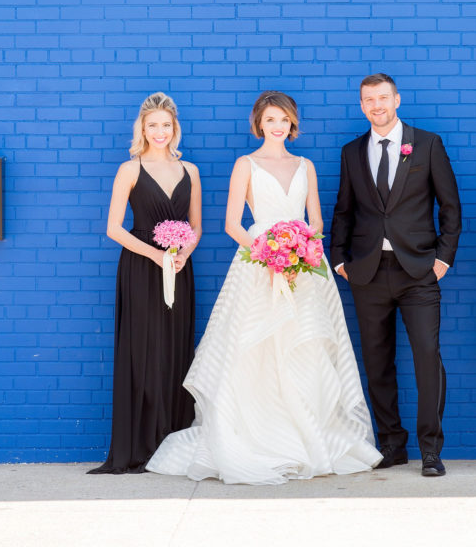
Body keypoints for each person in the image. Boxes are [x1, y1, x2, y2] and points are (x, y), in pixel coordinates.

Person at [147, 91, 381, 484]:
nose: (278, 126)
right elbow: (232, 223)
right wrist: (270, 253)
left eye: (284, 120)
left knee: (305, 347)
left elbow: (317, 222)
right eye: (271, 119)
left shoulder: (305, 165)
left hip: (304, 269)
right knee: (253, 351)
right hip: (258, 265)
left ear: (292, 124)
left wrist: (298, 249)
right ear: (260, 123)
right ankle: (257, 438)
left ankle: (309, 437)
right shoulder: (246, 164)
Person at [330, 74, 462, 477]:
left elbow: (450, 207)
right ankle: (391, 445)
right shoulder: (352, 151)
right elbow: (344, 210)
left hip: (419, 271)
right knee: (377, 363)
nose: (376, 105)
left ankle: (430, 451)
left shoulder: (427, 144)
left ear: (397, 100)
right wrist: (339, 260)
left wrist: (443, 259)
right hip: (368, 273)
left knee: (426, 357)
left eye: (383, 98)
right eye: (368, 99)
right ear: (361, 105)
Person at [89, 92, 202, 474]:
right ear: (142, 128)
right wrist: (156, 255)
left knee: (174, 348)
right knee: (144, 350)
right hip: (141, 268)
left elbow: (197, 225)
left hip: (180, 268)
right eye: (152, 125)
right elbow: (112, 228)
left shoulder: (191, 171)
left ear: (175, 129)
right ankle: (141, 444)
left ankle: (172, 440)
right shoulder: (130, 169)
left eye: (166, 125)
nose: (159, 132)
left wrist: (184, 250)